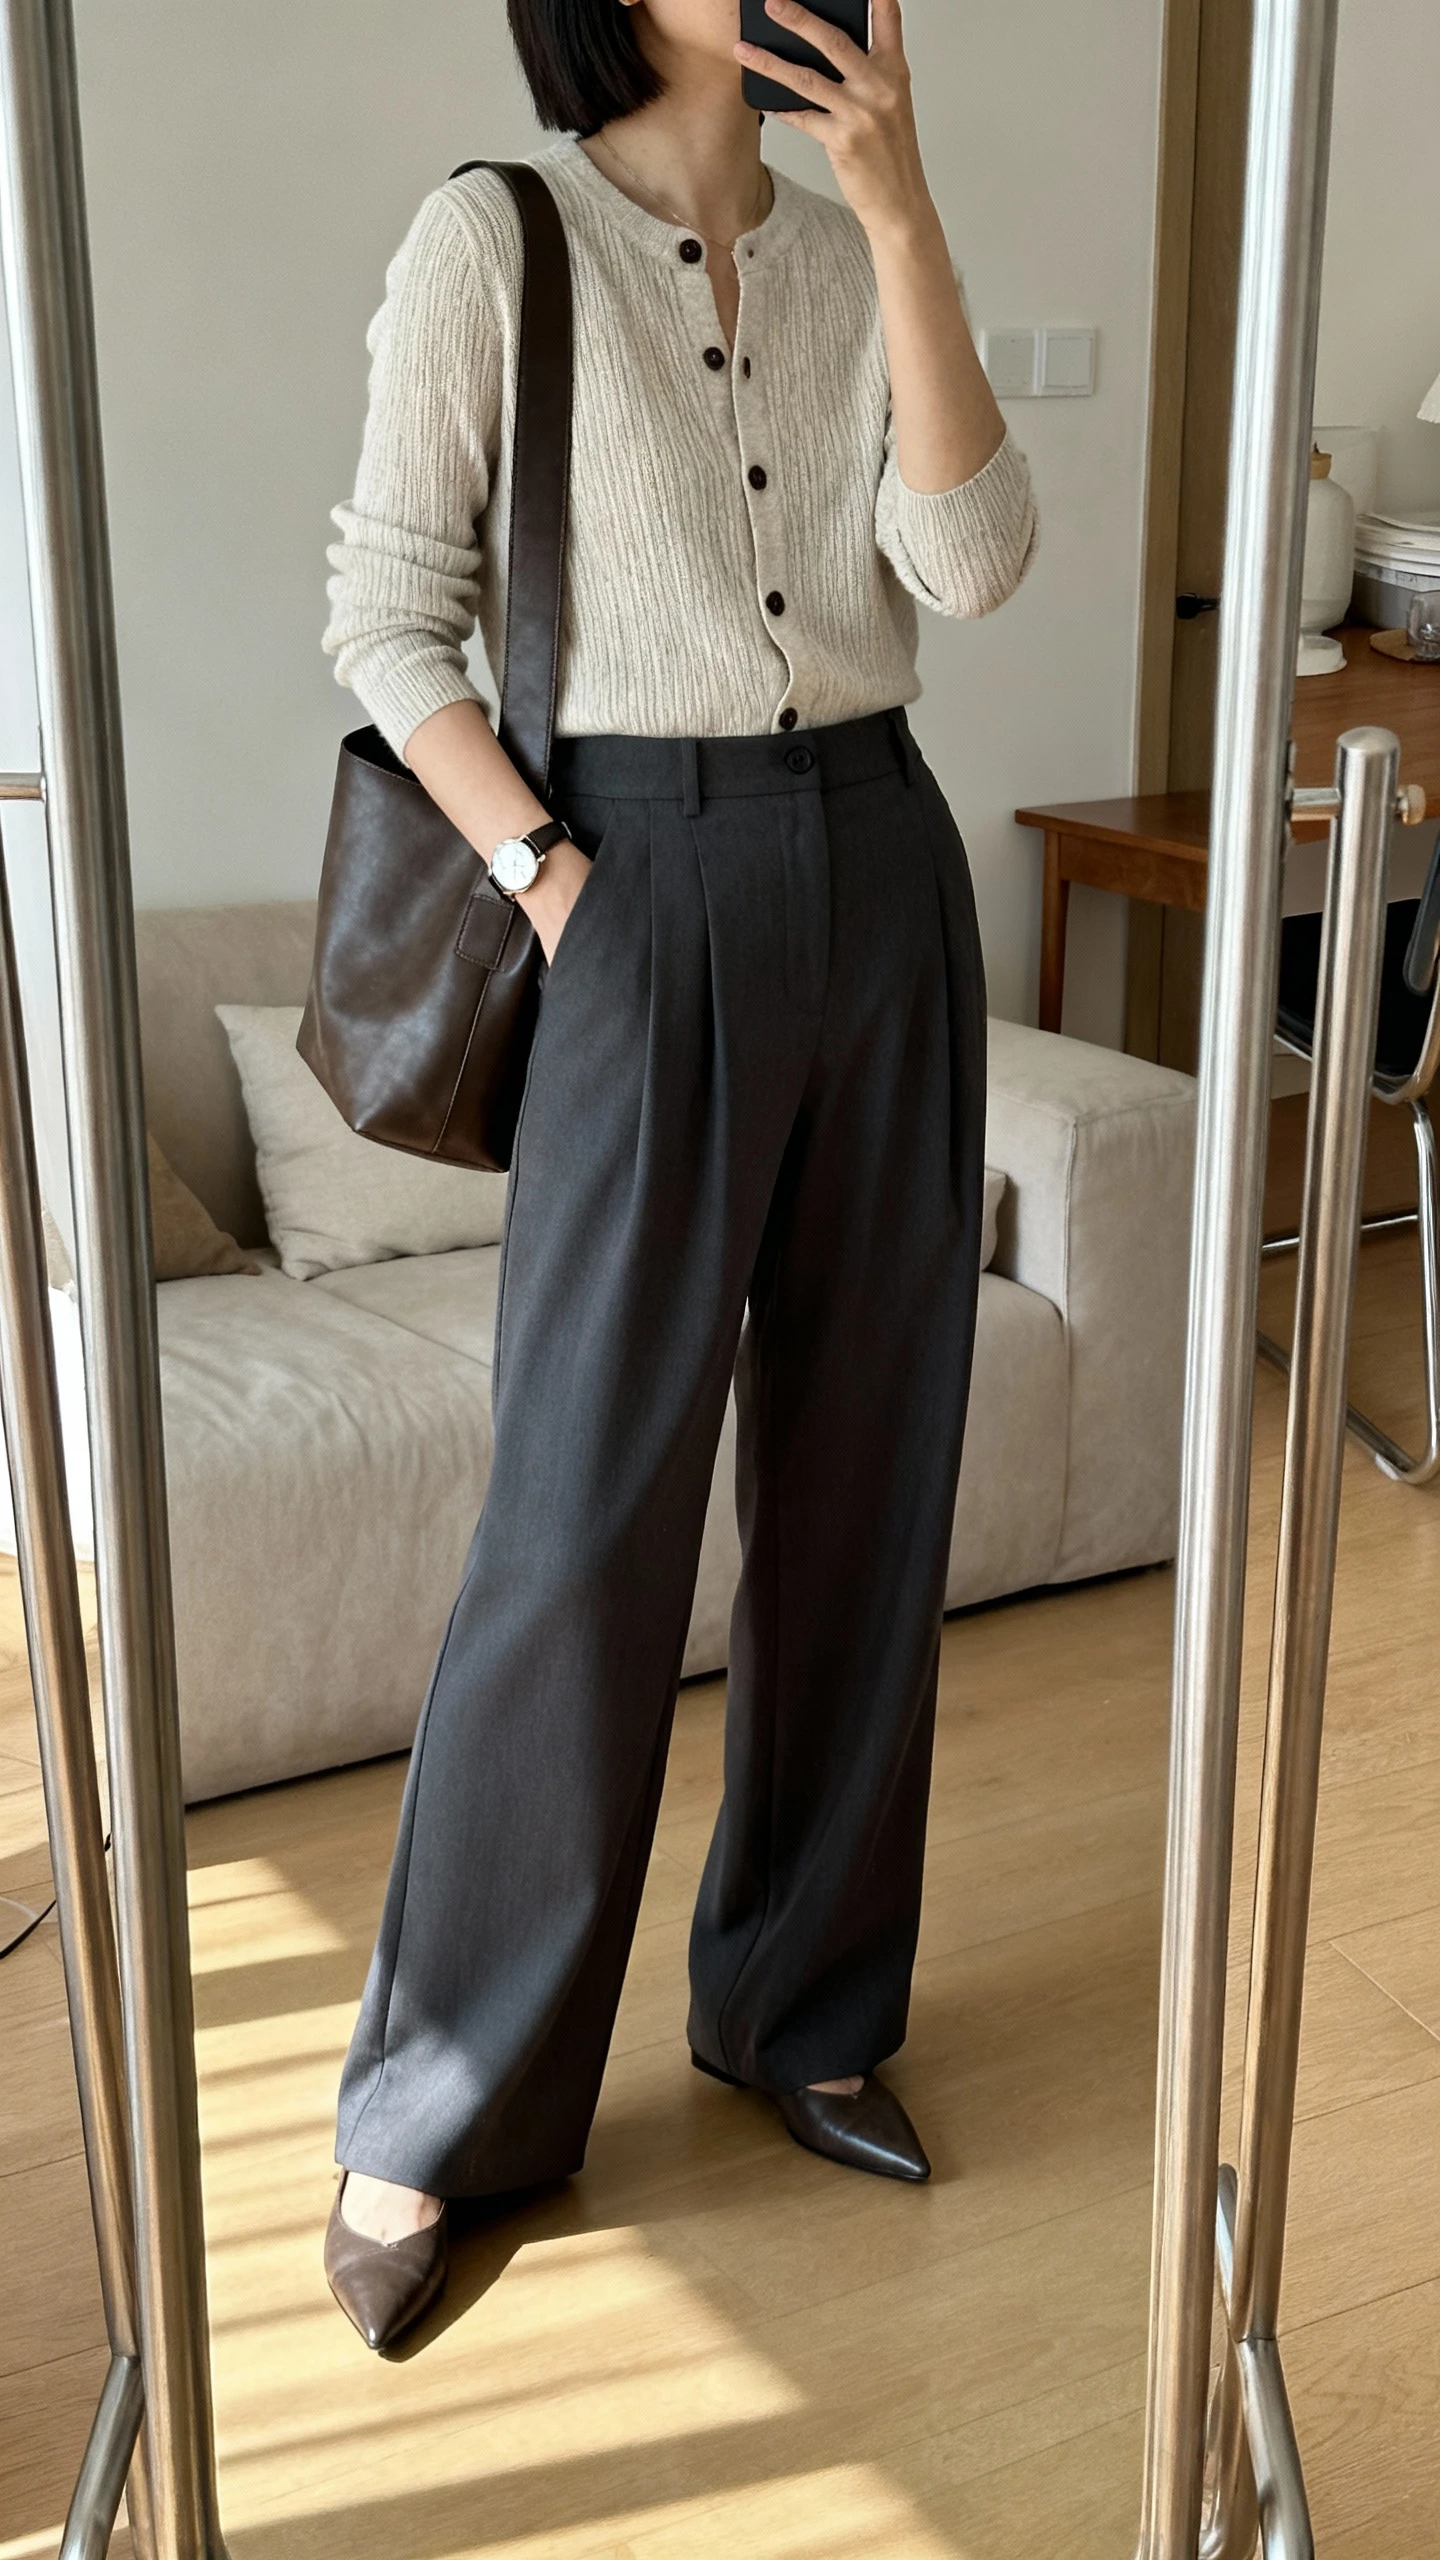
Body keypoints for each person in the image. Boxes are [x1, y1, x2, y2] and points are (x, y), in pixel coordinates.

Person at [320, 0, 1036, 2352]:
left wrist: (909, 201)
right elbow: (384, 609)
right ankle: (443, 2101)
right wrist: (549, 878)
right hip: (629, 880)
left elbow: (980, 556)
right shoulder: (495, 241)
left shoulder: (845, 254)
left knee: (862, 1474)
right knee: (578, 1512)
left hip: (877, 862)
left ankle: (805, 2002)